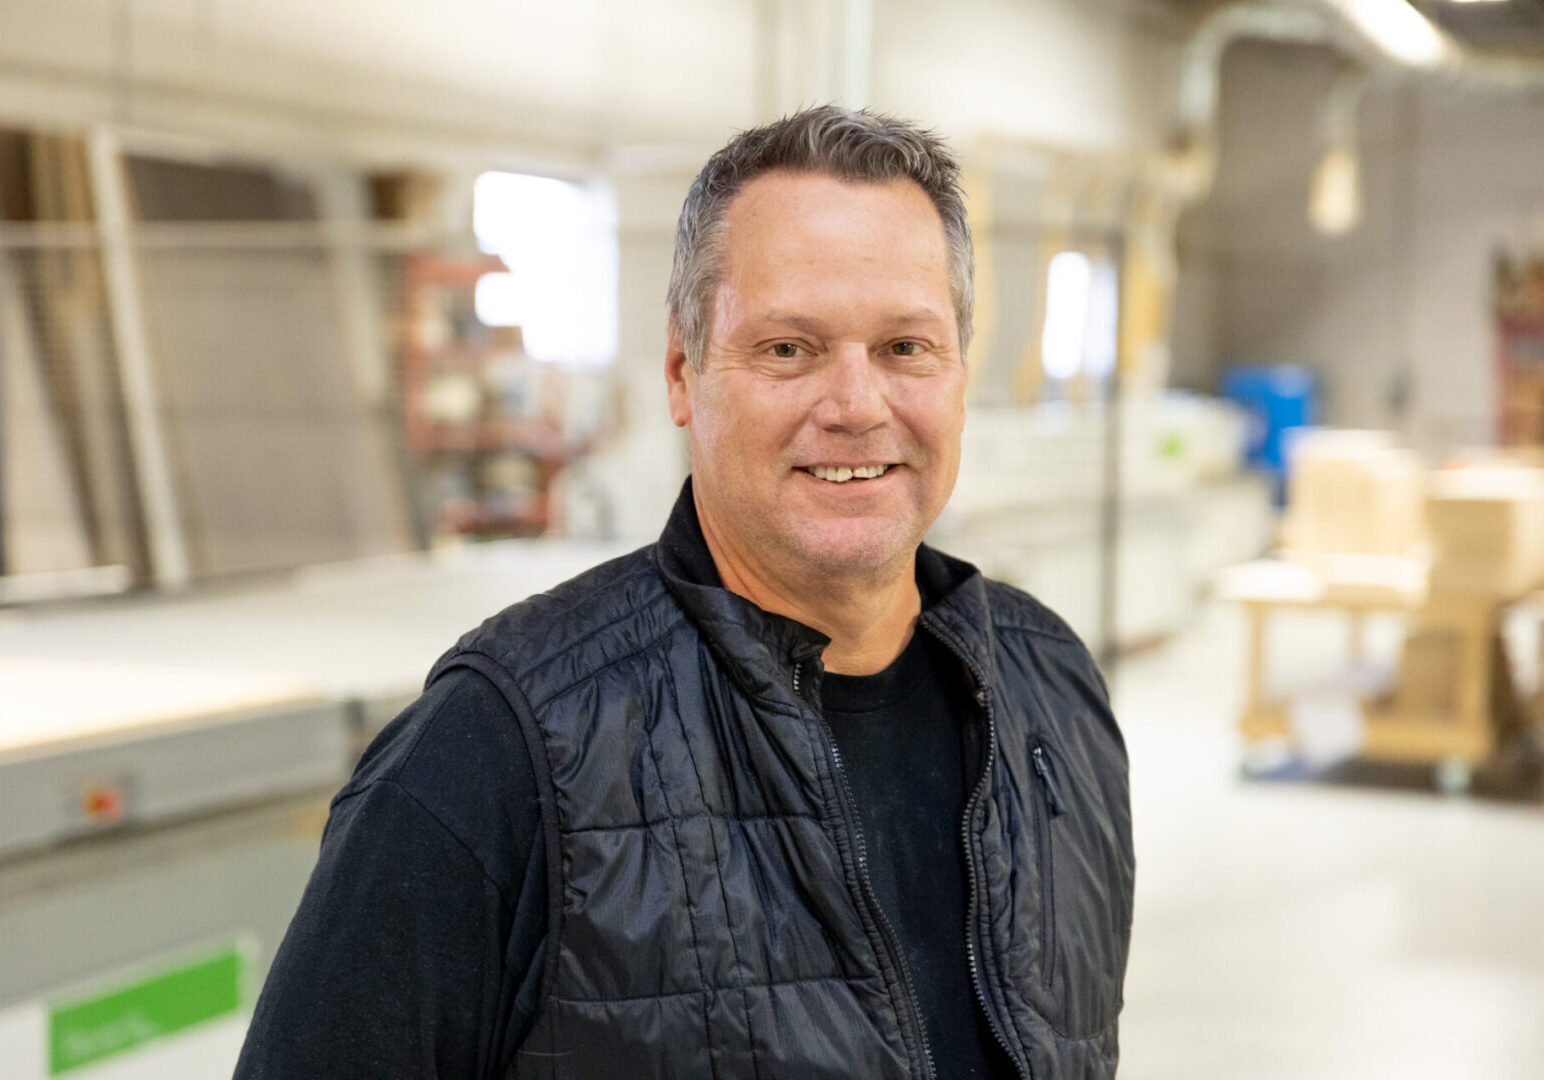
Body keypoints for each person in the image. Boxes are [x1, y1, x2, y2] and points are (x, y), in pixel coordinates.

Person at [236, 105, 1133, 1080]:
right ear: (681, 372)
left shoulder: (1047, 686)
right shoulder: (501, 748)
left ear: (958, 374)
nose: (855, 406)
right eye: (787, 348)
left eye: (903, 348)